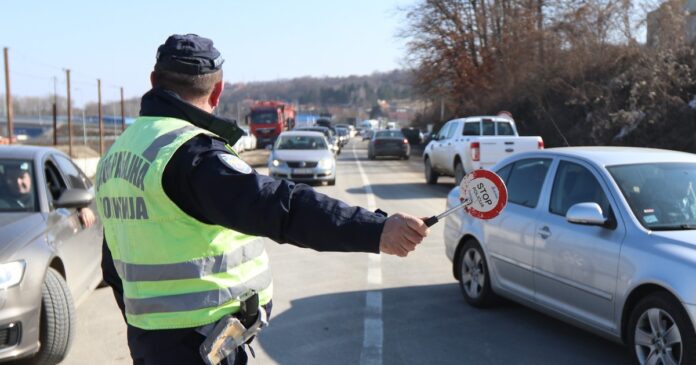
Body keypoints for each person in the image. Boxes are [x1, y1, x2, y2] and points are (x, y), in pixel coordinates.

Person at [96, 34, 429, 365]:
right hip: (197, 344)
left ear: (153, 82)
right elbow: (282, 207)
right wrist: (375, 230)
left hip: (148, 340)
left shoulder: (117, 155)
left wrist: (147, 328)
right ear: (218, 90)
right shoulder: (190, 154)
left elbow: (113, 262)